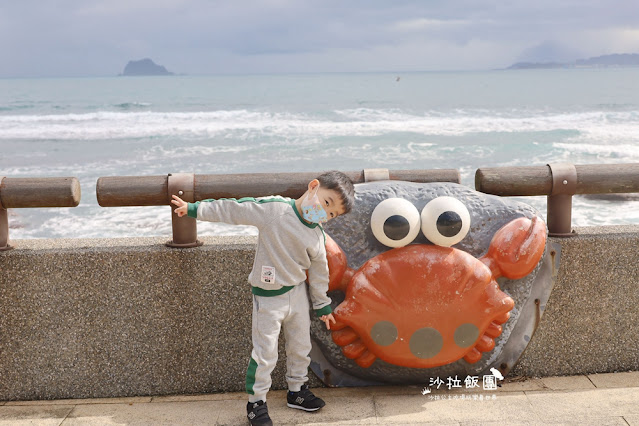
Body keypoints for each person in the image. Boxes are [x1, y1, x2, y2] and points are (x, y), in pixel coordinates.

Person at [171, 170, 355, 426]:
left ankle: (297, 391)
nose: (325, 214)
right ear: (313, 187)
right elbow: (235, 210)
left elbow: (319, 271)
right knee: (265, 353)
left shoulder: (316, 234)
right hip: (268, 298)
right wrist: (194, 210)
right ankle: (256, 402)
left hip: (298, 294)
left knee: (301, 347)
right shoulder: (275, 210)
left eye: (332, 214)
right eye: (326, 203)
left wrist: (322, 304)